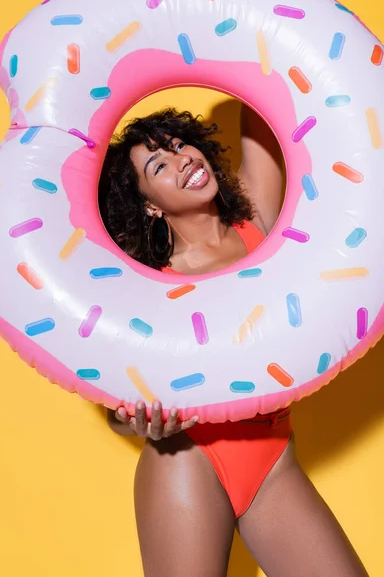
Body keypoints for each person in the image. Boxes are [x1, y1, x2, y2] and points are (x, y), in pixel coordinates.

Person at [100, 106, 368, 577]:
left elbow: (265, 85)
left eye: (180, 144)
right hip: (187, 461)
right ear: (149, 205)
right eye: (159, 165)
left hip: (274, 460)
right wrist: (138, 423)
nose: (182, 159)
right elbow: (118, 413)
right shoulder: (150, 286)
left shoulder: (256, 220)